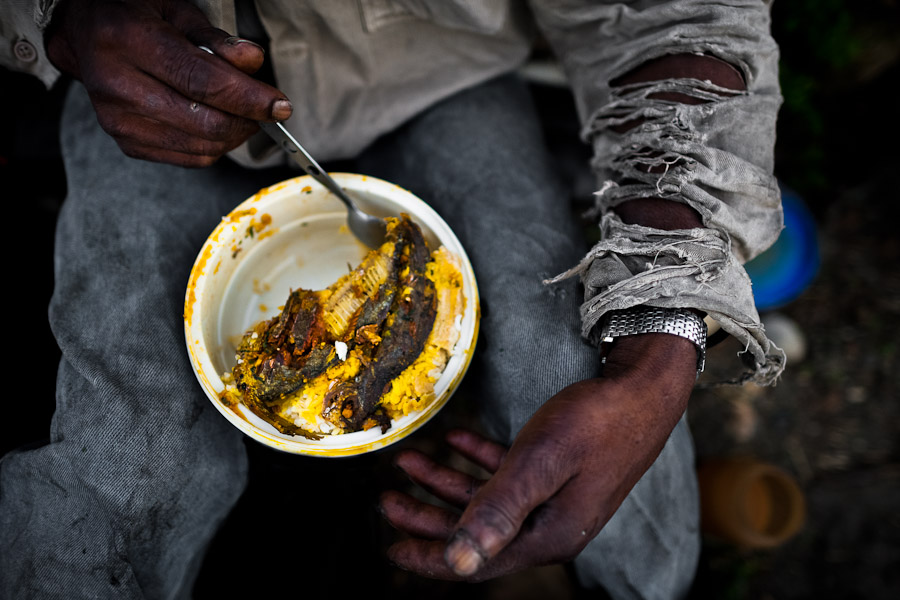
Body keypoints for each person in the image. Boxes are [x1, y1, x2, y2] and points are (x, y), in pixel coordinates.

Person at [0, 0, 785, 597]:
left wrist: (662, 339)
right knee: (115, 463)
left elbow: (681, 16)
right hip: (150, 94)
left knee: (571, 378)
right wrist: (62, 18)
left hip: (441, 70)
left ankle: (656, 582)